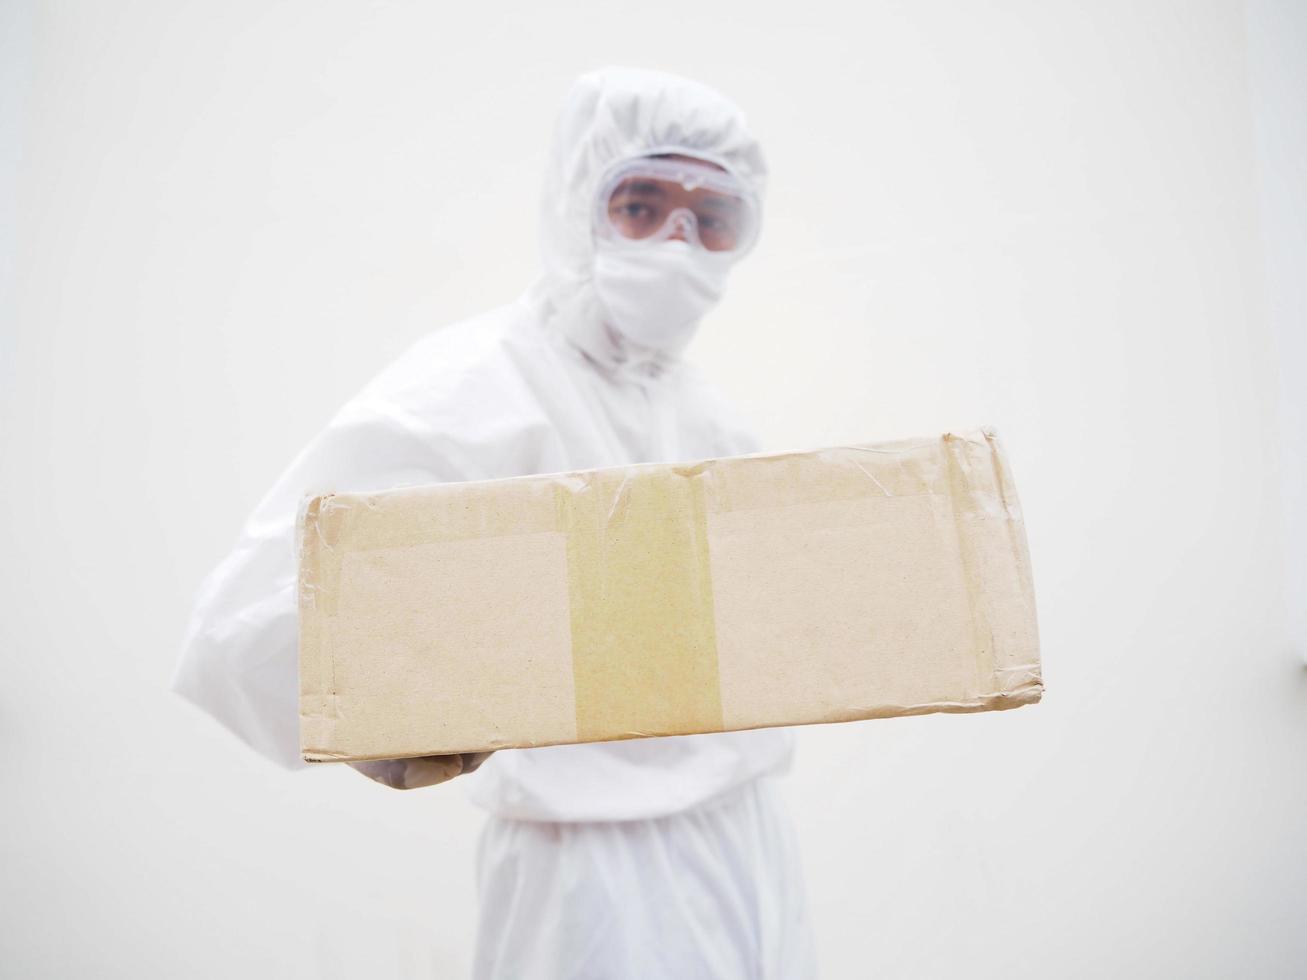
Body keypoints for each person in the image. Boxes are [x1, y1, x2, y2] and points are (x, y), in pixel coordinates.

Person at [173, 66, 818, 978]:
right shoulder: (475, 386)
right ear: (575, 203)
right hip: (590, 860)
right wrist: (397, 708)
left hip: (745, 832)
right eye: (639, 203)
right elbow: (236, 634)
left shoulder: (707, 413)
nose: (678, 243)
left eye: (711, 217)